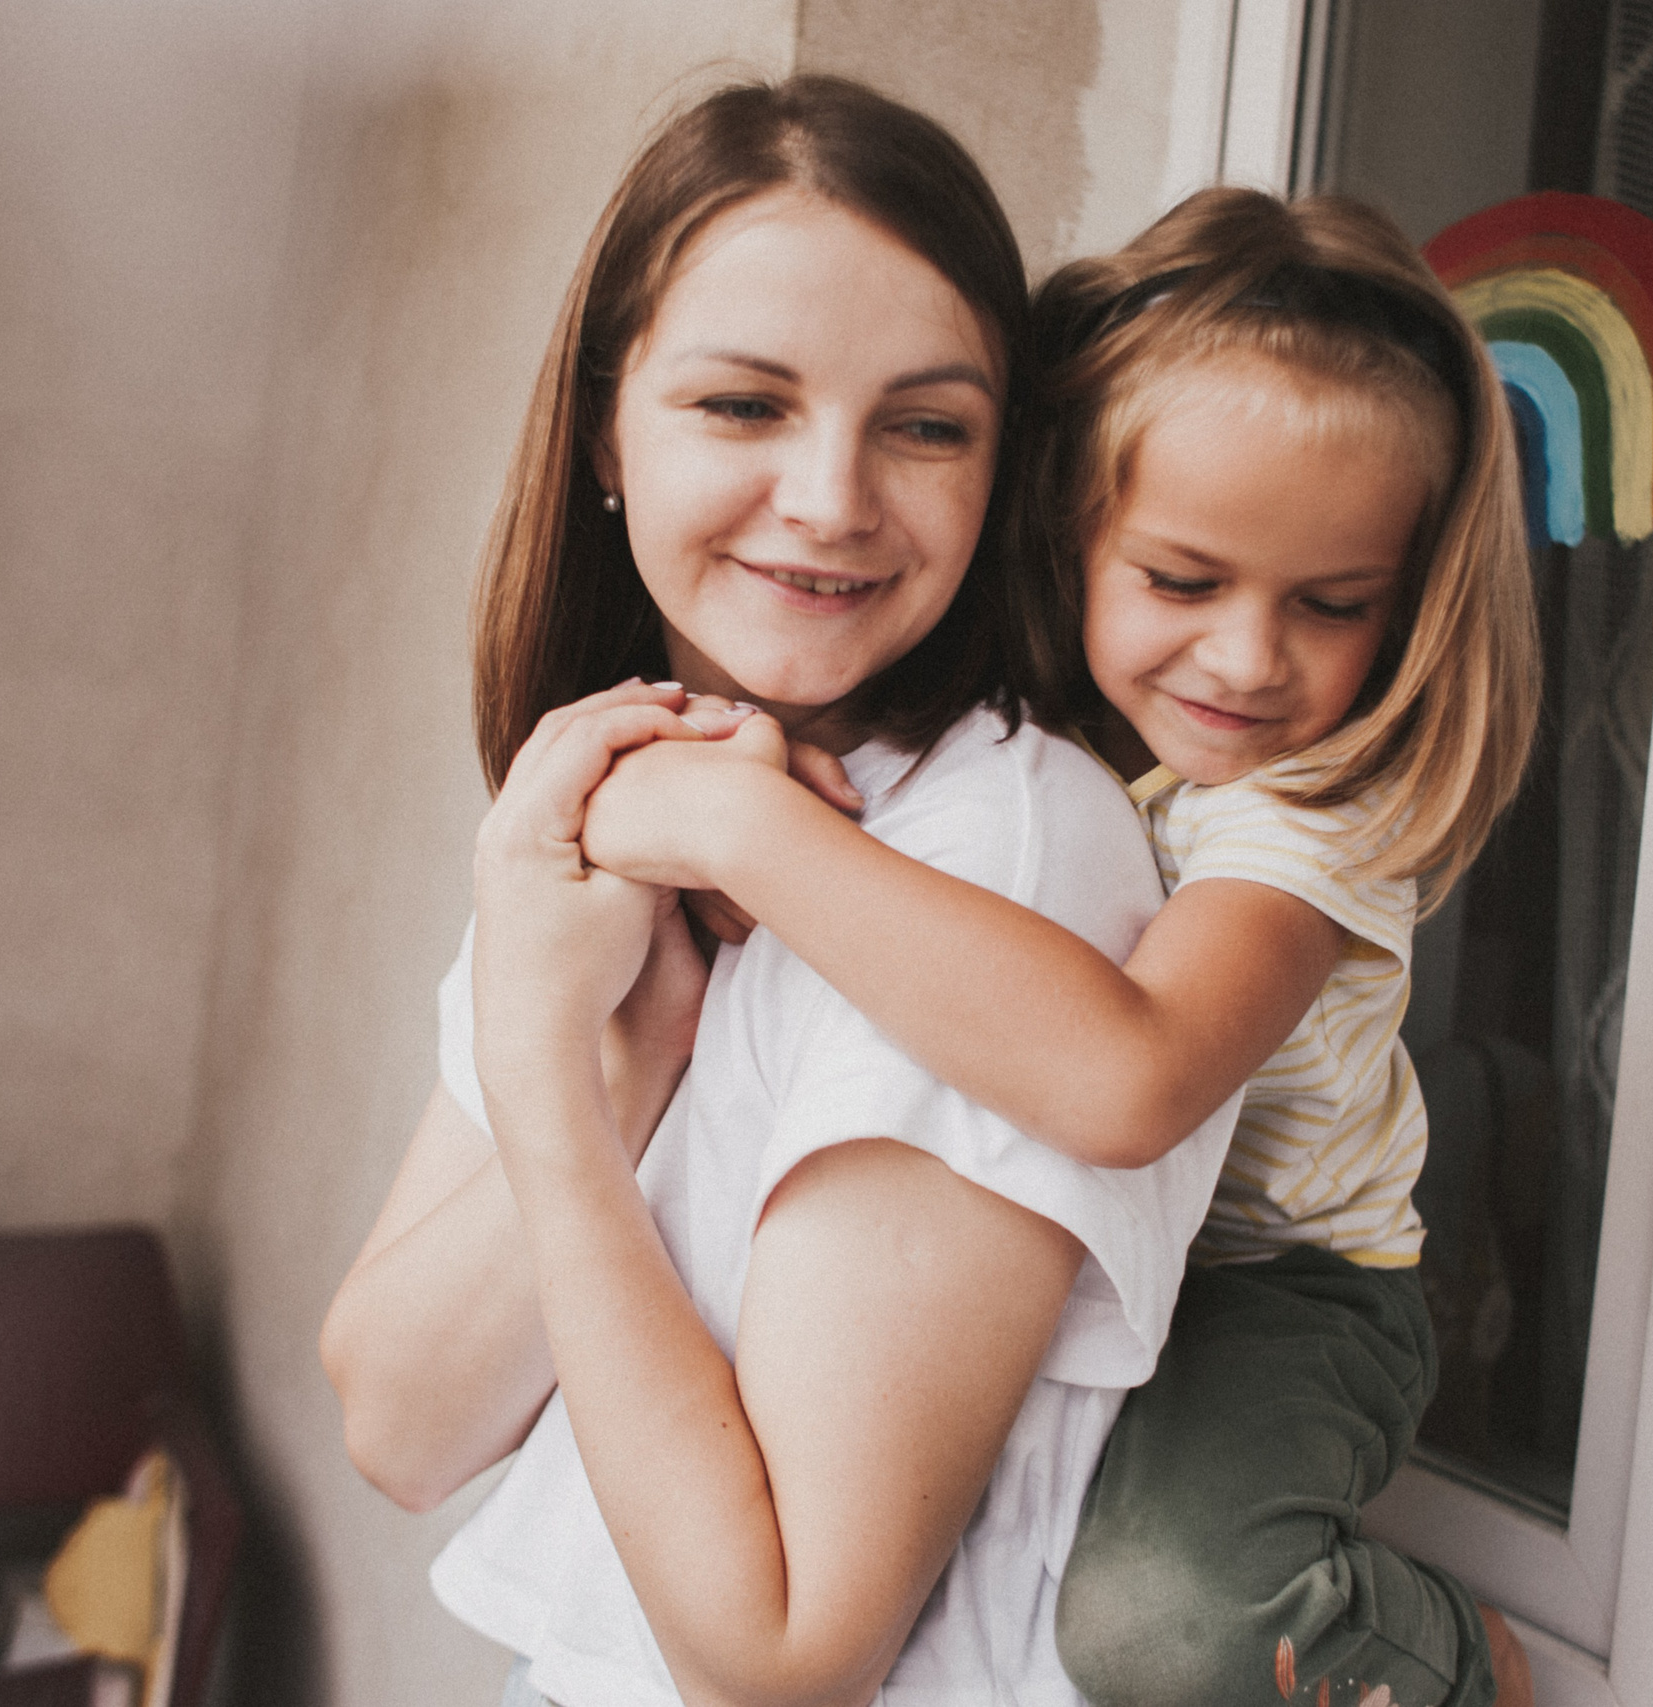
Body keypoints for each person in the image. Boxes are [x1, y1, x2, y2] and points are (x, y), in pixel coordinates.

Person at [318, 76, 1233, 1707]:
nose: (830, 499)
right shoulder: (622, 808)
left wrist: (547, 1069)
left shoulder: (1000, 850)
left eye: (927, 424)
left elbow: (784, 1658)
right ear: (608, 425)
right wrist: (627, 1054)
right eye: (745, 406)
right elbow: (398, 1421)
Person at [576, 187, 1544, 1707]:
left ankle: (1447, 1659)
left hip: (1283, 1289)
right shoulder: (1055, 751)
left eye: (1333, 605)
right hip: (1107, 1251)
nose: (1245, 659)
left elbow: (1126, 1077)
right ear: (1073, 534)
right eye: (1181, 581)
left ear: (1408, 608)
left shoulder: (1313, 816)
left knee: (1163, 1624)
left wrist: (751, 838)